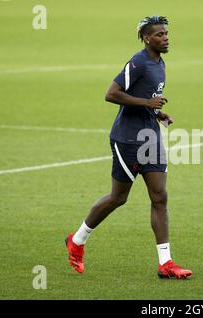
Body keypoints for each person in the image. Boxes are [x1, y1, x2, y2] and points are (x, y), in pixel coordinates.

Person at [65, 16, 192, 279]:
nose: (166, 38)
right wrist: (147, 104)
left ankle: (165, 263)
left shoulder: (160, 63)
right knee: (118, 198)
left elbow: (147, 99)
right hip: (127, 139)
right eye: (159, 35)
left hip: (151, 137)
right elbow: (111, 93)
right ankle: (77, 241)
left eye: (166, 33)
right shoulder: (139, 62)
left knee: (160, 197)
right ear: (147, 38)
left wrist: (158, 114)